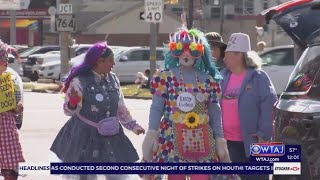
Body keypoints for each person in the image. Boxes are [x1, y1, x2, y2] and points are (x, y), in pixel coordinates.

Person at [141, 27, 237, 180]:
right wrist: (151, 133)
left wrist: (219, 138)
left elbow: (214, 110)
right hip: (171, 137)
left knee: (201, 176)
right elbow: (157, 107)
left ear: (201, 52)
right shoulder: (165, 77)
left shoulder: (208, 80)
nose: (186, 54)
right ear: (173, 51)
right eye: (179, 49)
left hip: (202, 138)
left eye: (192, 49)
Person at [50, 41, 145, 180]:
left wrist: (133, 125)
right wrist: (72, 103)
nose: (114, 64)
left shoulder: (113, 79)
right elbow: (68, 111)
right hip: (85, 136)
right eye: (110, 60)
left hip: (112, 135)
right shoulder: (79, 81)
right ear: (99, 62)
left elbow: (120, 107)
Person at [220, 33, 277, 180]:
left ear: (239, 55)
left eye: (227, 54)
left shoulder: (259, 77)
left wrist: (264, 134)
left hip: (255, 142)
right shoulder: (223, 76)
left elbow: (269, 105)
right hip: (228, 143)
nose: (224, 58)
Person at [0, 43, 25, 180]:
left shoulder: (12, 78)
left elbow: (16, 106)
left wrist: (17, 107)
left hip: (6, 130)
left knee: (10, 170)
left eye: (5, 58)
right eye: (3, 59)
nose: (6, 62)